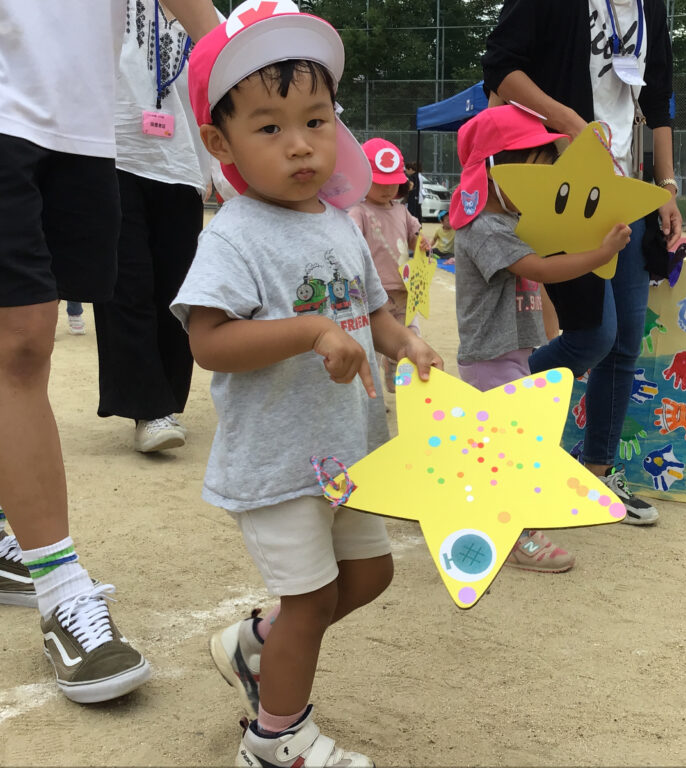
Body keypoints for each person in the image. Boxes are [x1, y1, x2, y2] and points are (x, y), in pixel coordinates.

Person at [172, 2, 442, 763]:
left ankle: (256, 642)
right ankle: (275, 739)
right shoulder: (234, 235)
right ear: (222, 143)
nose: (300, 145)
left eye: (316, 121)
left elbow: (369, 313)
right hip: (281, 463)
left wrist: (407, 341)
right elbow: (209, 343)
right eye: (270, 128)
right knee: (314, 598)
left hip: (348, 454)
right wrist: (307, 332)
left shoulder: (337, 220)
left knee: (372, 573)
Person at [0, 0, 217, 704]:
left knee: (23, 344)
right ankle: (63, 592)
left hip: (82, 123)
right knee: (23, 342)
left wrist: (243, 61)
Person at [482, 0, 682, 525]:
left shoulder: (651, 8)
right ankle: (487, 405)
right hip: (563, 186)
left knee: (625, 341)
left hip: (625, 188)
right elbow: (501, 68)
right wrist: (569, 119)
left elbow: (657, 100)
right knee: (592, 336)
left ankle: (596, 472)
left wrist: (665, 187)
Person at [451, 105, 632, 571]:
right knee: (511, 449)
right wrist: (600, 253)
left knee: (492, 444)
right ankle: (518, 534)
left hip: (511, 355)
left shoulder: (511, 223)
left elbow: (540, 291)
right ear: (496, 172)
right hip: (491, 357)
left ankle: (454, 500)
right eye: (537, 173)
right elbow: (542, 270)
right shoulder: (485, 228)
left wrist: (549, 336)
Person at [94, 0, 211, 455]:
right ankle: (148, 406)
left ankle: (168, 398)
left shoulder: (204, 15)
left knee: (177, 290)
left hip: (180, 166)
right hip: (113, 154)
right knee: (128, 284)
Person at [350, 139, 425, 392]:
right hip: (373, 294)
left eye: (392, 182)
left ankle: (402, 388)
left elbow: (416, 238)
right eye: (379, 182)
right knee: (372, 341)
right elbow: (351, 244)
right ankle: (372, 391)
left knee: (407, 340)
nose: (387, 188)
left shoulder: (402, 211)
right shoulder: (358, 211)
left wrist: (421, 244)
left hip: (404, 289)